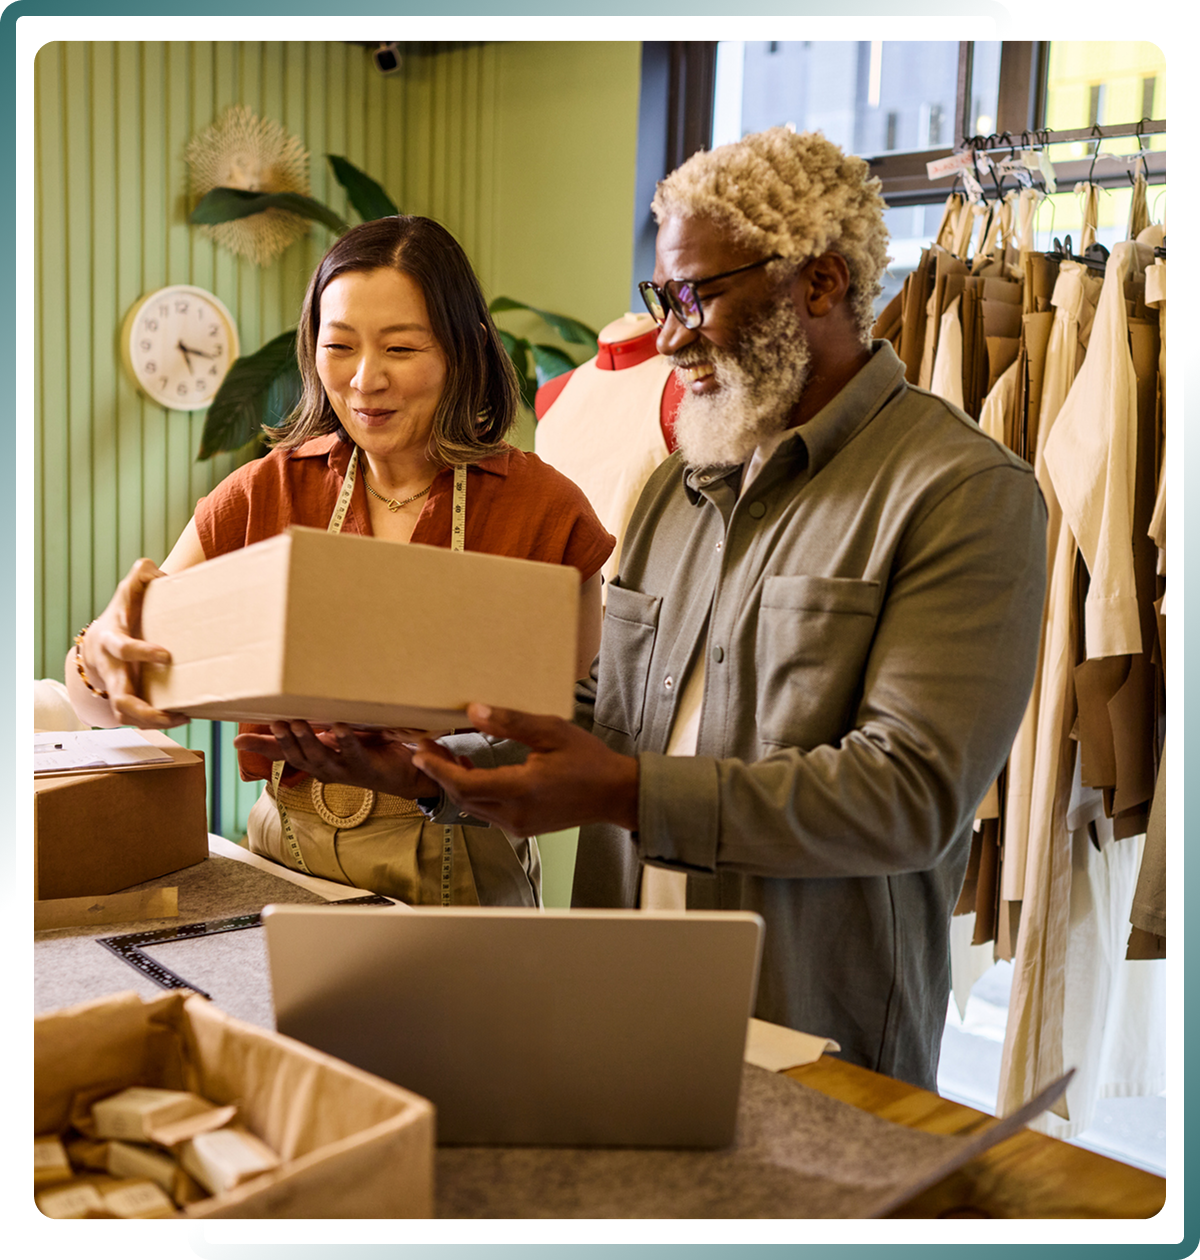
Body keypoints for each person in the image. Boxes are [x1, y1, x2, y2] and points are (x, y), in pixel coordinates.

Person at [254, 129, 1048, 1091]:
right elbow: (603, 713)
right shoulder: (682, 486)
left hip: (813, 1022)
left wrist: (625, 794)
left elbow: (907, 796)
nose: (669, 336)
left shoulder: (961, 492)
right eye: (661, 297)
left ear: (822, 284)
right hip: (616, 996)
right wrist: (432, 767)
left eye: (698, 295)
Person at [66, 215, 614, 908]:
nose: (364, 380)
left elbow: (572, 738)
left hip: (459, 864)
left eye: (401, 347)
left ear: (465, 347)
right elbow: (97, 697)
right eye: (339, 346)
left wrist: (427, 763)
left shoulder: (545, 510)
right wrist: (100, 652)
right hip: (281, 861)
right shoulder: (268, 489)